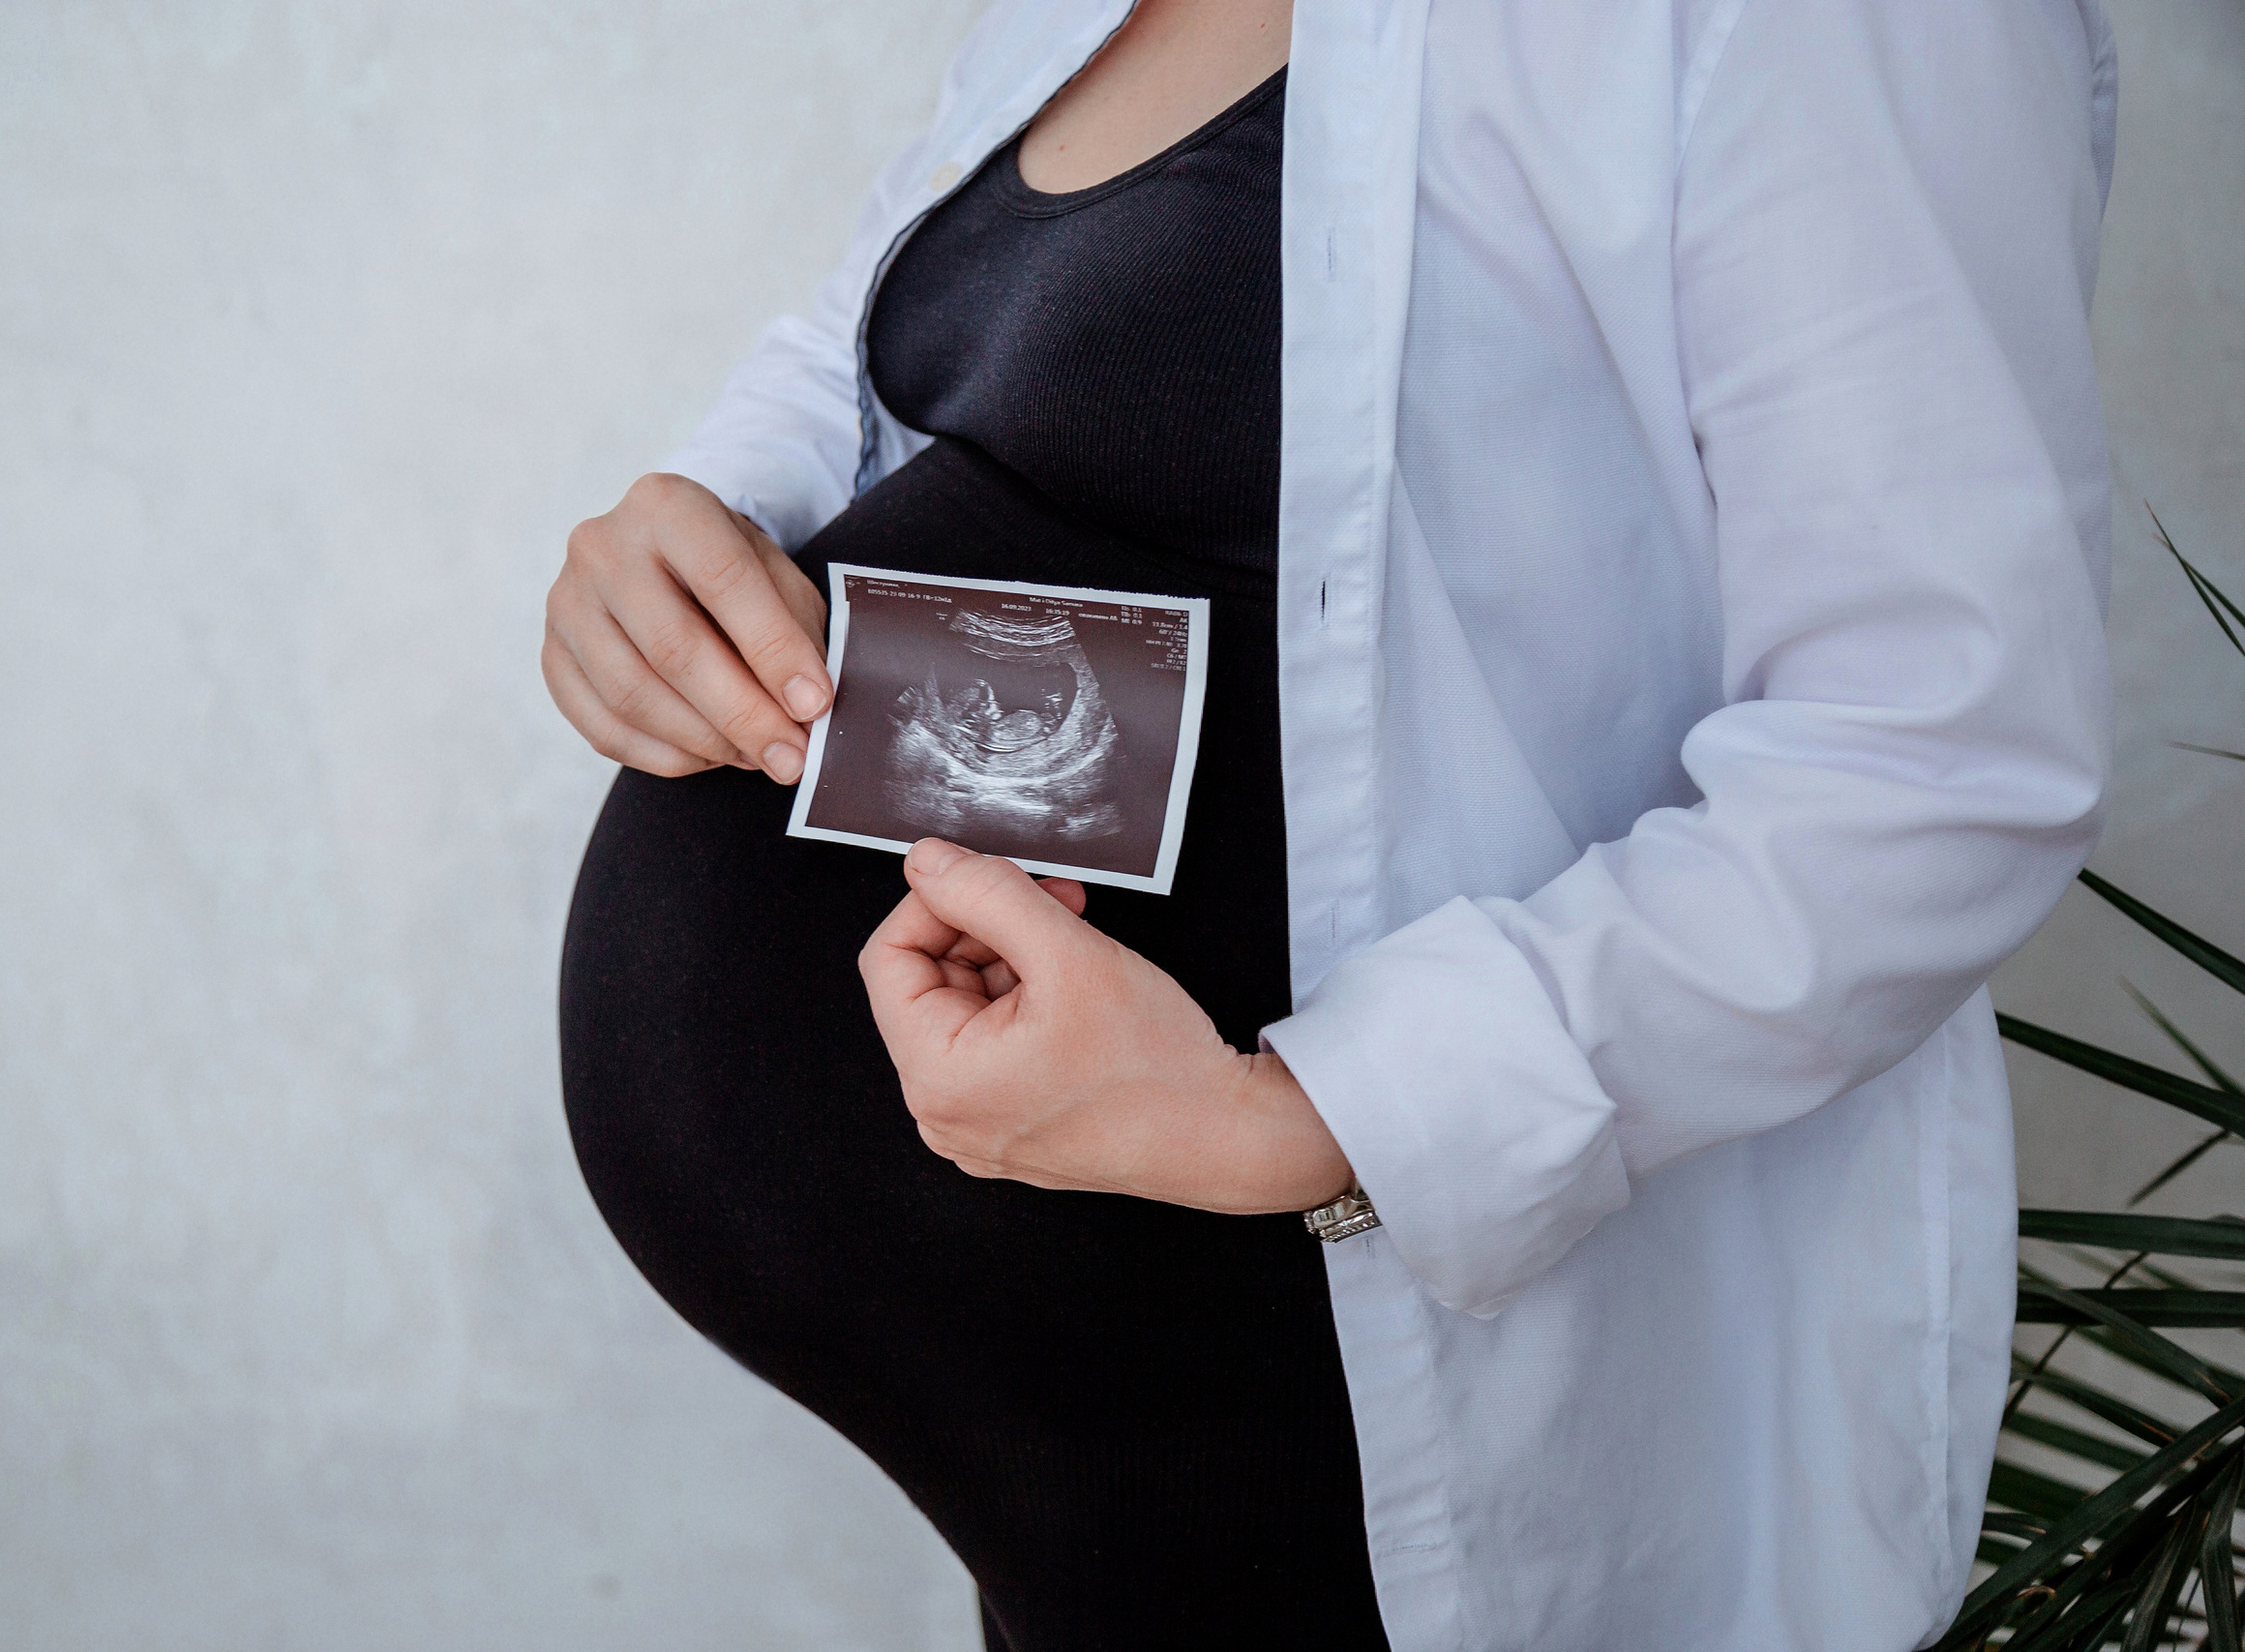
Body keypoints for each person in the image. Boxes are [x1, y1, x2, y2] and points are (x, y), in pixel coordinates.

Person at [544, 0, 2119, 1645]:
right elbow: (917, 340)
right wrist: (696, 530)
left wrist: (1313, 1123)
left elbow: (1939, 755)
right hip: (1083, 1460)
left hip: (1339, 1382)